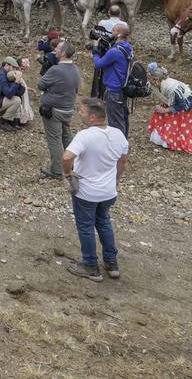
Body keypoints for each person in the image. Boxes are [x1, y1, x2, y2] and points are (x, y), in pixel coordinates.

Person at [63, 97, 129, 282]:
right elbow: (123, 159)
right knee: (104, 222)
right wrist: (116, 179)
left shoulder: (85, 136)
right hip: (108, 191)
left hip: (87, 191)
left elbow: (67, 156)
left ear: (92, 116)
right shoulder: (118, 134)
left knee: (85, 227)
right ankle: (111, 262)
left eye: (82, 111)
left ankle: (91, 265)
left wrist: (68, 173)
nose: (80, 114)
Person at [37, 41, 81, 179]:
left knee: (54, 140)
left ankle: (56, 170)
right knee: (66, 136)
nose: (55, 50)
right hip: (68, 109)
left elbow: (40, 84)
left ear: (62, 53)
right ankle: (73, 163)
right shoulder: (75, 69)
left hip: (54, 111)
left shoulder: (56, 70)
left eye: (57, 48)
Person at [146, 63, 192, 153]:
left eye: (150, 79)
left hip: (188, 104)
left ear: (156, 80)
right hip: (176, 101)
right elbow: (167, 97)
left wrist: (166, 110)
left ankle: (173, 141)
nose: (149, 81)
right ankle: (162, 139)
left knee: (173, 119)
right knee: (159, 113)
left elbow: (181, 105)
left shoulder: (171, 88)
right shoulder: (158, 85)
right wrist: (164, 103)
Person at [91, 21, 133, 138]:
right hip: (122, 88)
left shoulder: (115, 51)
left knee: (115, 121)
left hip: (113, 90)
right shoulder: (127, 46)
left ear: (119, 34)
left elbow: (98, 64)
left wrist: (95, 49)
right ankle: (123, 143)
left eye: (113, 30)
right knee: (123, 118)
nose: (111, 32)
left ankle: (117, 148)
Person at [0, 57, 27, 131]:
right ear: (7, 65)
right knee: (16, 100)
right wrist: (16, 81)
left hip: (2, 99)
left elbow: (20, 92)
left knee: (17, 98)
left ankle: (11, 121)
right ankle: (3, 121)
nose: (15, 70)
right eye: (13, 67)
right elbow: (9, 94)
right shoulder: (1, 75)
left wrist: (19, 83)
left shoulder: (8, 74)